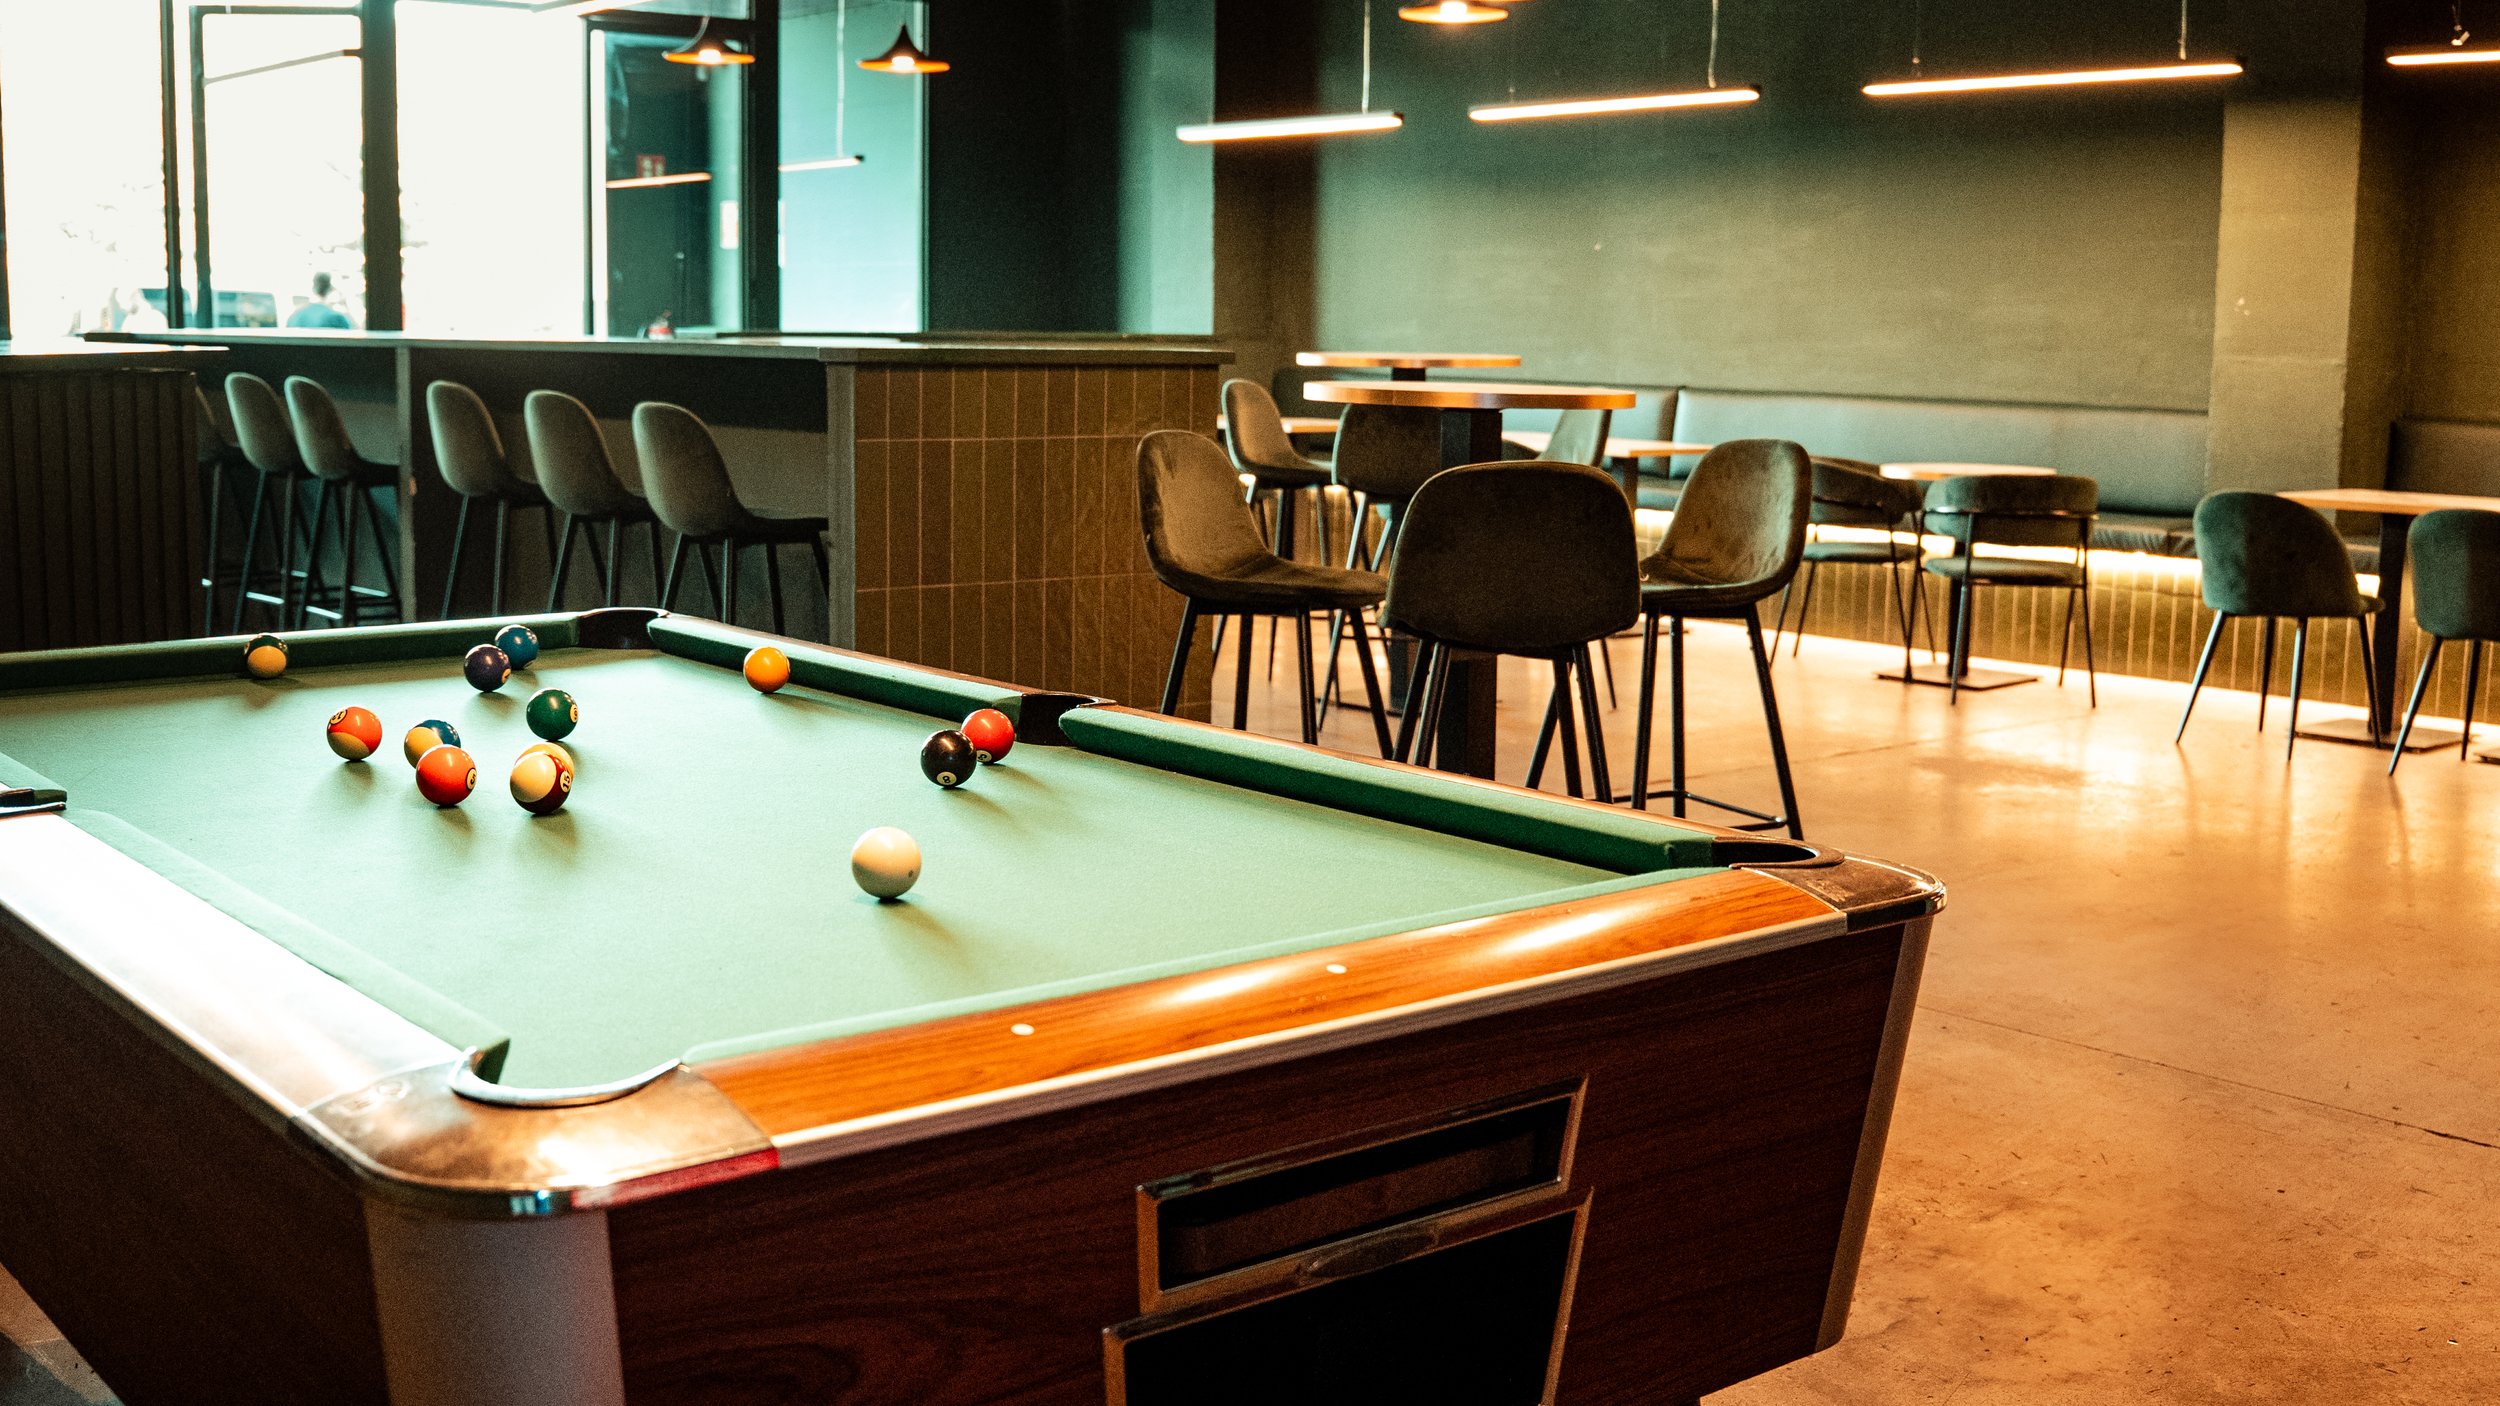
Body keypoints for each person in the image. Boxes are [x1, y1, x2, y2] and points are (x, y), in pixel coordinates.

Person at [286, 273, 354, 330]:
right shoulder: (337, 318)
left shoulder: (295, 316)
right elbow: (354, 336)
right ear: (330, 288)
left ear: (313, 286)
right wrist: (346, 307)